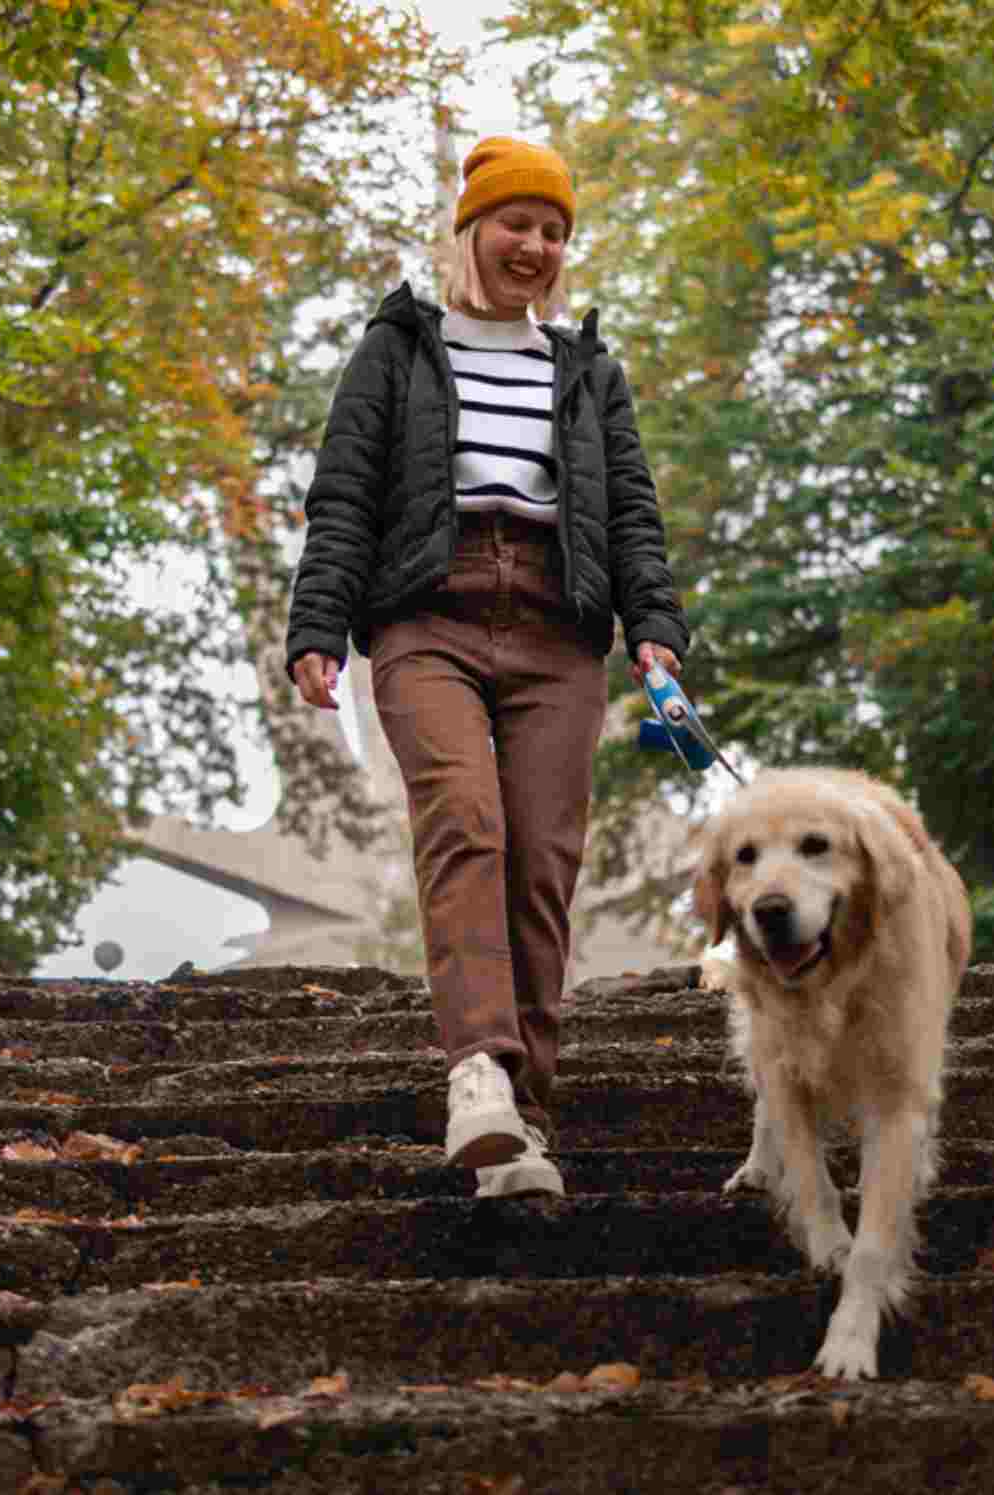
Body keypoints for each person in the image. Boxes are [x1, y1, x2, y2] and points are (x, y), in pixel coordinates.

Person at [283, 137, 692, 1200]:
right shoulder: (398, 350)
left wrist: (655, 629)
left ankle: (527, 1117)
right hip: (429, 615)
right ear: (473, 227)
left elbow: (632, 513)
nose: (538, 246)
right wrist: (316, 625)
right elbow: (344, 492)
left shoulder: (587, 371)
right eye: (519, 223)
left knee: (541, 861)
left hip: (560, 628)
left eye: (555, 232)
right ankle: (477, 1073)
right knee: (465, 820)